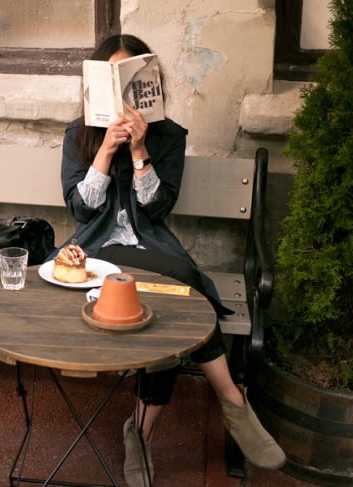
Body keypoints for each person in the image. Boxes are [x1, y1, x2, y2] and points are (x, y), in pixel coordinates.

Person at [57, 34, 286, 487]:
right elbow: (81, 210)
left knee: (169, 303)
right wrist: (105, 149)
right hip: (100, 252)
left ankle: (140, 432)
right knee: (185, 281)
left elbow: (157, 209)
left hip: (150, 247)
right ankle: (233, 404)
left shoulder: (167, 136)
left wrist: (140, 152)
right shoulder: (78, 134)